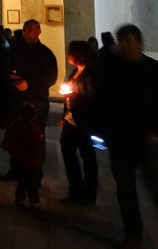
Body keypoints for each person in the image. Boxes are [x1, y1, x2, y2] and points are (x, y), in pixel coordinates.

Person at [99, 24, 158, 247]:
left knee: (155, 183)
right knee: (124, 187)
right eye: (120, 41)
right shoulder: (111, 69)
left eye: (128, 41)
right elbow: (100, 101)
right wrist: (103, 131)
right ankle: (133, 233)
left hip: (149, 140)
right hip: (120, 140)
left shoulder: (155, 70)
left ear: (140, 43)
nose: (124, 46)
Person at [59, 40, 99, 205]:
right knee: (68, 151)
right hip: (71, 119)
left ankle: (88, 193)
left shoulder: (90, 75)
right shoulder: (75, 71)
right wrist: (65, 113)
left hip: (83, 122)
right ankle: (75, 189)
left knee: (87, 156)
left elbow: (93, 98)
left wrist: (74, 96)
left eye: (71, 52)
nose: (68, 54)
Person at [10, 19, 58, 132]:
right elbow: (9, 68)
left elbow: (51, 78)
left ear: (39, 32)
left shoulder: (46, 54)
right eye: (24, 30)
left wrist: (29, 84)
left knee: (36, 133)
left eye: (30, 30)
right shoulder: (16, 51)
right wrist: (12, 77)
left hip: (38, 100)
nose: (26, 33)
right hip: (18, 100)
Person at [3, 102, 45, 205]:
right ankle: (33, 198)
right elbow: (38, 145)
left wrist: (12, 152)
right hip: (31, 162)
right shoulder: (35, 129)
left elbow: (7, 142)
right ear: (34, 115)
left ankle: (20, 197)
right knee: (32, 182)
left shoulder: (13, 126)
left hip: (17, 160)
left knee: (21, 182)